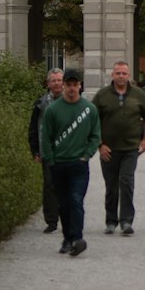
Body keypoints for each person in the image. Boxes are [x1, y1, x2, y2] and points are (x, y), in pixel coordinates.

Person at [40, 69, 101, 256]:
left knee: (75, 200)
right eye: (69, 85)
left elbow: (95, 135)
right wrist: (50, 159)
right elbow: (46, 137)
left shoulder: (89, 109)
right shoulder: (52, 110)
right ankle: (67, 238)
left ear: (80, 85)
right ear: (64, 86)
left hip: (78, 164)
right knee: (64, 203)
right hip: (58, 164)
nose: (72, 88)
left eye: (75, 85)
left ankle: (77, 238)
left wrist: (87, 155)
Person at [91, 61, 145, 235]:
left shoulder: (139, 94)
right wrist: (99, 145)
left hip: (130, 148)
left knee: (126, 182)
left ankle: (126, 220)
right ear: (113, 75)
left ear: (128, 76)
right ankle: (111, 220)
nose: (121, 76)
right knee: (111, 186)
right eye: (118, 73)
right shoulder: (102, 95)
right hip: (108, 149)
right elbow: (92, 121)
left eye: (124, 73)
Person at [28, 68, 64, 232]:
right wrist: (35, 150)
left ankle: (67, 217)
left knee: (67, 185)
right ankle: (51, 220)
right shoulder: (41, 103)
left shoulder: (72, 101)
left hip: (67, 150)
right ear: (48, 84)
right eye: (53, 80)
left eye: (59, 80)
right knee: (49, 185)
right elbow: (33, 128)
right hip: (48, 150)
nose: (57, 83)